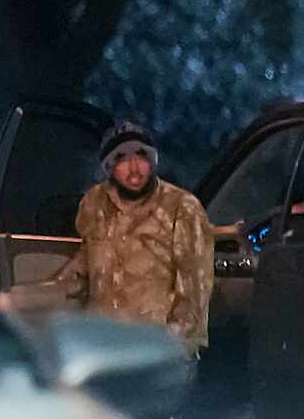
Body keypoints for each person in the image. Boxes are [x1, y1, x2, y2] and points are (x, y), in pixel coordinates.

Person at [52, 121, 211, 357]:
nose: (134, 168)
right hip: (101, 347)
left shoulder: (182, 208)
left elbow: (195, 290)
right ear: (109, 166)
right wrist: (61, 283)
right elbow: (90, 252)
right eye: (122, 159)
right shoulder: (94, 203)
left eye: (142, 156)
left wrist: (170, 346)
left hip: (154, 350)